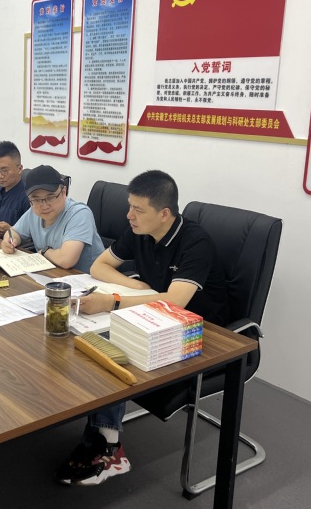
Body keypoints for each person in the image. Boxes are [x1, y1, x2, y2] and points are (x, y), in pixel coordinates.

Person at [55, 169, 229, 486]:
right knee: (91, 341)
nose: (129, 215)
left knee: (112, 352)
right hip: (155, 317)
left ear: (164, 214)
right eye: (130, 206)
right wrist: (138, 288)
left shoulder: (195, 242)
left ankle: (110, 452)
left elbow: (176, 301)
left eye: (138, 209)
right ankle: (100, 438)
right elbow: (99, 266)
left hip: (201, 334)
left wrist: (114, 301)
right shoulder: (140, 230)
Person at [1, 164, 104, 273]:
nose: (44, 206)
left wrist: (45, 251)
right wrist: (9, 241)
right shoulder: (34, 211)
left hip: (87, 279)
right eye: (36, 199)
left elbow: (66, 260)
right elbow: (13, 232)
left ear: (63, 192)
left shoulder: (80, 214)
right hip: (52, 274)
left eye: (50, 197)